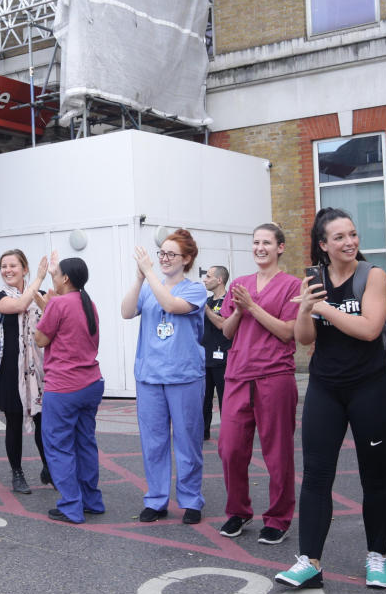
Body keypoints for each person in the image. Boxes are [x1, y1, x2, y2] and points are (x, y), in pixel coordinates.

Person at [276, 208, 386, 590]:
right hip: (325, 388)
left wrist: (324, 306)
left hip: (369, 389)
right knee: (315, 476)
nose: (350, 242)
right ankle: (308, 561)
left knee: (374, 477)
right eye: (340, 237)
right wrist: (306, 308)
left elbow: (369, 328)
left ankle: (377, 558)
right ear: (323, 245)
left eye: (353, 234)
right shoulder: (312, 279)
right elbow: (306, 338)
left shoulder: (372, 275)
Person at [216, 224, 301, 545]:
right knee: (229, 448)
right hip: (238, 375)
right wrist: (239, 310)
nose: (259, 248)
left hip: (275, 376)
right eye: (255, 242)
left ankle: (278, 518)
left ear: (280, 247)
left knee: (277, 452)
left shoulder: (292, 285)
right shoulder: (239, 284)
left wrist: (252, 306)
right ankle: (238, 511)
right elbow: (227, 331)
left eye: (266, 242)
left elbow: (287, 332)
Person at [121, 230, 207, 524]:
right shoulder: (149, 286)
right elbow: (126, 311)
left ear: (187, 259)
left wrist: (150, 274)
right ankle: (156, 499)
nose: (165, 259)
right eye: (162, 254)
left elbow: (171, 305)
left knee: (188, 440)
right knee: (153, 442)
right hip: (150, 376)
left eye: (172, 254)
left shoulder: (196, 290)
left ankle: (191, 499)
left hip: (184, 376)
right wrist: (140, 278)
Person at [34, 255, 104, 523]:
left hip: (63, 386)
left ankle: (70, 506)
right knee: (85, 442)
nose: (53, 277)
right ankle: (91, 500)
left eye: (56, 274)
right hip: (91, 383)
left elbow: (41, 339)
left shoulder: (59, 304)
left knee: (59, 446)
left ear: (65, 278)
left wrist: (46, 309)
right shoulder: (89, 303)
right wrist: (49, 307)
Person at [0, 249, 49, 493]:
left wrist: (45, 293)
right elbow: (20, 305)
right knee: (13, 424)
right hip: (11, 372)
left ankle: (50, 468)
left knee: (44, 423)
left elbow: (53, 326)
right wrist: (39, 279)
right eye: (4, 266)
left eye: (13, 265)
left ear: (24, 268)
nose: (7, 270)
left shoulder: (43, 296)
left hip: (40, 371)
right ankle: (17, 473)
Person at [200, 265, 232, 441]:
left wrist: (205, 309)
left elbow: (222, 324)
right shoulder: (208, 301)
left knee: (224, 399)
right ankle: (203, 432)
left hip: (223, 360)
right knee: (203, 399)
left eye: (209, 276)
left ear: (219, 280)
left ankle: (228, 434)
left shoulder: (229, 300)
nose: (205, 279)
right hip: (205, 359)